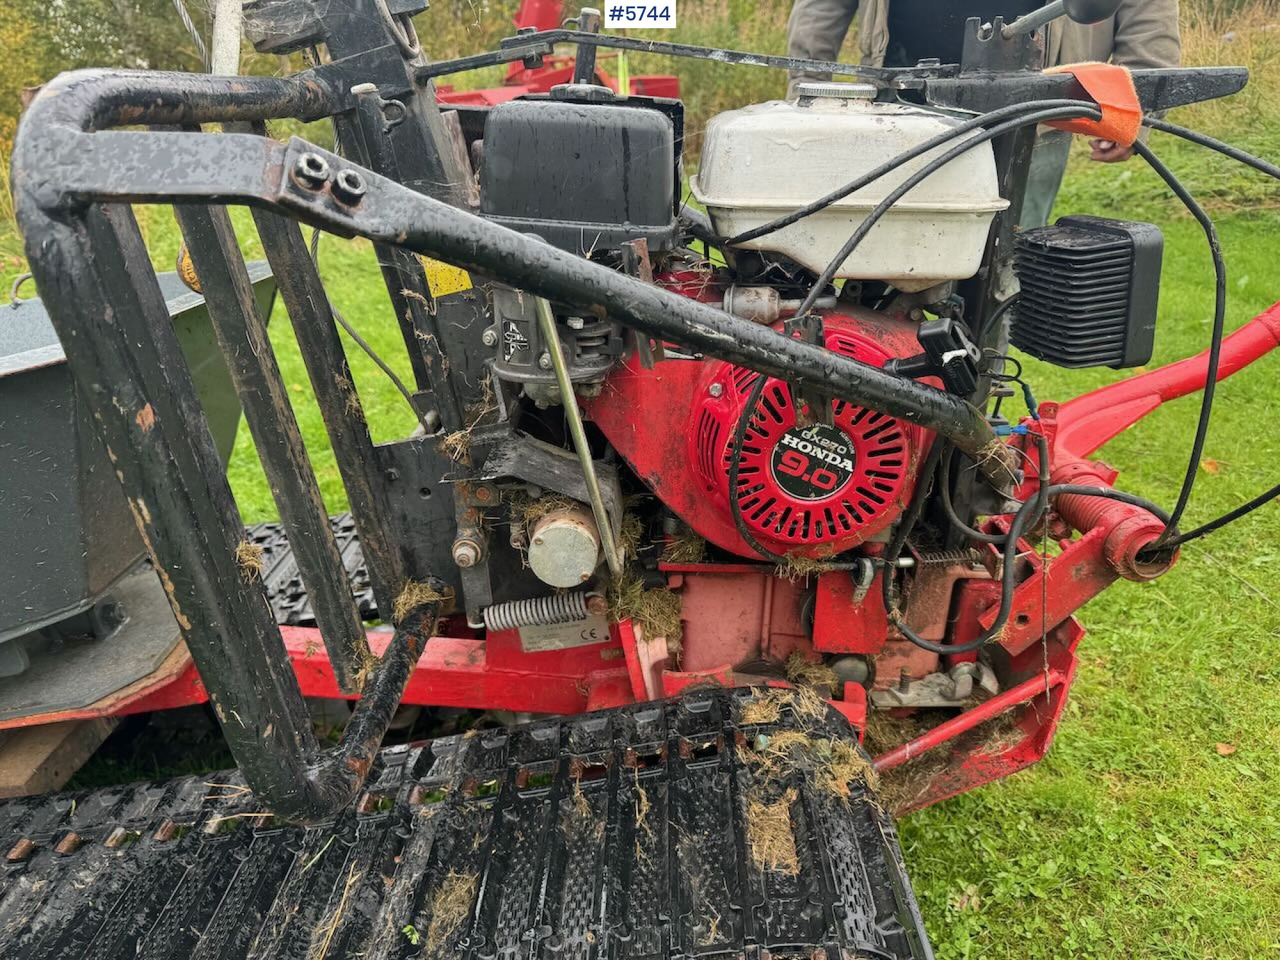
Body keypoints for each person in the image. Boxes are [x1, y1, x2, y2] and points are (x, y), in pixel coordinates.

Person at [785, 0, 1181, 227]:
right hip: (897, 102)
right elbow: (821, 8)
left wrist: (1135, 106)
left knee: (1001, 278)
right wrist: (806, 88)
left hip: (1032, 114)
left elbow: (1148, 13)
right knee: (874, 262)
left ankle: (984, 352)